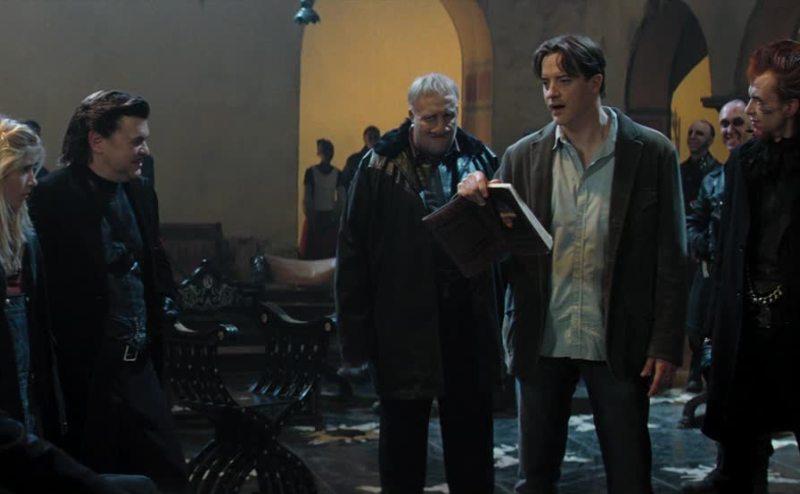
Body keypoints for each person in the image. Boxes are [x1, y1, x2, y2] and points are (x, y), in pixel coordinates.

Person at [458, 34, 687, 494]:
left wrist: (666, 343)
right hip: (544, 334)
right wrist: (474, 197)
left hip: (617, 335)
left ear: (595, 82)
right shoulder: (524, 155)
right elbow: (491, 247)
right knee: (535, 476)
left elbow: (671, 255)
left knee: (630, 474)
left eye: (563, 80)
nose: (551, 93)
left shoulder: (651, 152)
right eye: (545, 82)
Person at [336, 73, 501, 493]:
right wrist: (355, 338)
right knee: (402, 447)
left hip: (465, 321)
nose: (441, 126)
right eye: (430, 118)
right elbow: (353, 251)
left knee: (471, 446)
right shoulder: (379, 164)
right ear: (411, 115)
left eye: (449, 115)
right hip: (402, 321)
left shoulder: (480, 157)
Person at [29, 90, 187, 492]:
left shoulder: (140, 191)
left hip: (139, 364)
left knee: (167, 473)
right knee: (95, 475)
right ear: (97, 141)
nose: (144, 149)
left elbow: (155, 257)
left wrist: (167, 299)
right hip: (85, 372)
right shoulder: (50, 197)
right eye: (136, 141)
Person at [0, 118, 156, 493]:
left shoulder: (25, 240)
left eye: (35, 169)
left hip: (29, 395)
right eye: (24, 170)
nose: (34, 181)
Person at [702, 39, 800, 493]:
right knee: (741, 457)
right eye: (750, 99)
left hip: (795, 328)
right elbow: (728, 251)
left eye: (761, 103)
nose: (750, 112)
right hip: (747, 329)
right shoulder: (743, 162)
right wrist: (716, 325)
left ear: (792, 107)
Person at [681, 119, 722, 392]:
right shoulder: (680, 170)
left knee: (705, 317)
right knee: (691, 316)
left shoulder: (718, 173)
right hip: (685, 246)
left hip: (708, 255)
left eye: (700, 134)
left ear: (710, 140)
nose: (693, 137)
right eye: (691, 132)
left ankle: (698, 371)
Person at [301, 138, 344, 259]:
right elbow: (341, 199)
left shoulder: (312, 172)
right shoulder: (336, 173)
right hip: (323, 216)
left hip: (323, 216)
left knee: (319, 253)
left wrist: (335, 215)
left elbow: (308, 197)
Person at [341, 125, 380, 191]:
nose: (373, 141)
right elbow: (344, 182)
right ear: (365, 139)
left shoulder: (385, 161)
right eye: (370, 138)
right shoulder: (354, 160)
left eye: (375, 137)